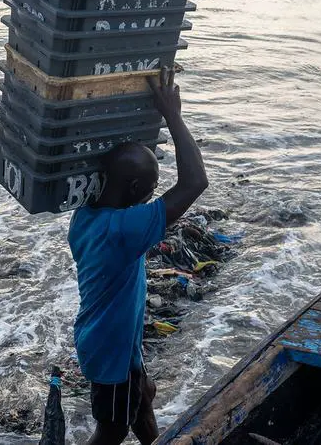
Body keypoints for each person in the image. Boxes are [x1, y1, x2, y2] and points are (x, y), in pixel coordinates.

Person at [68, 67, 208, 445]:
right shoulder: (124, 230)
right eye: (149, 189)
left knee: (143, 397)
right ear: (133, 190)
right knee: (110, 431)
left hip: (110, 337)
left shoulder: (88, 218)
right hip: (110, 348)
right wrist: (172, 114)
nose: (152, 196)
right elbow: (196, 181)